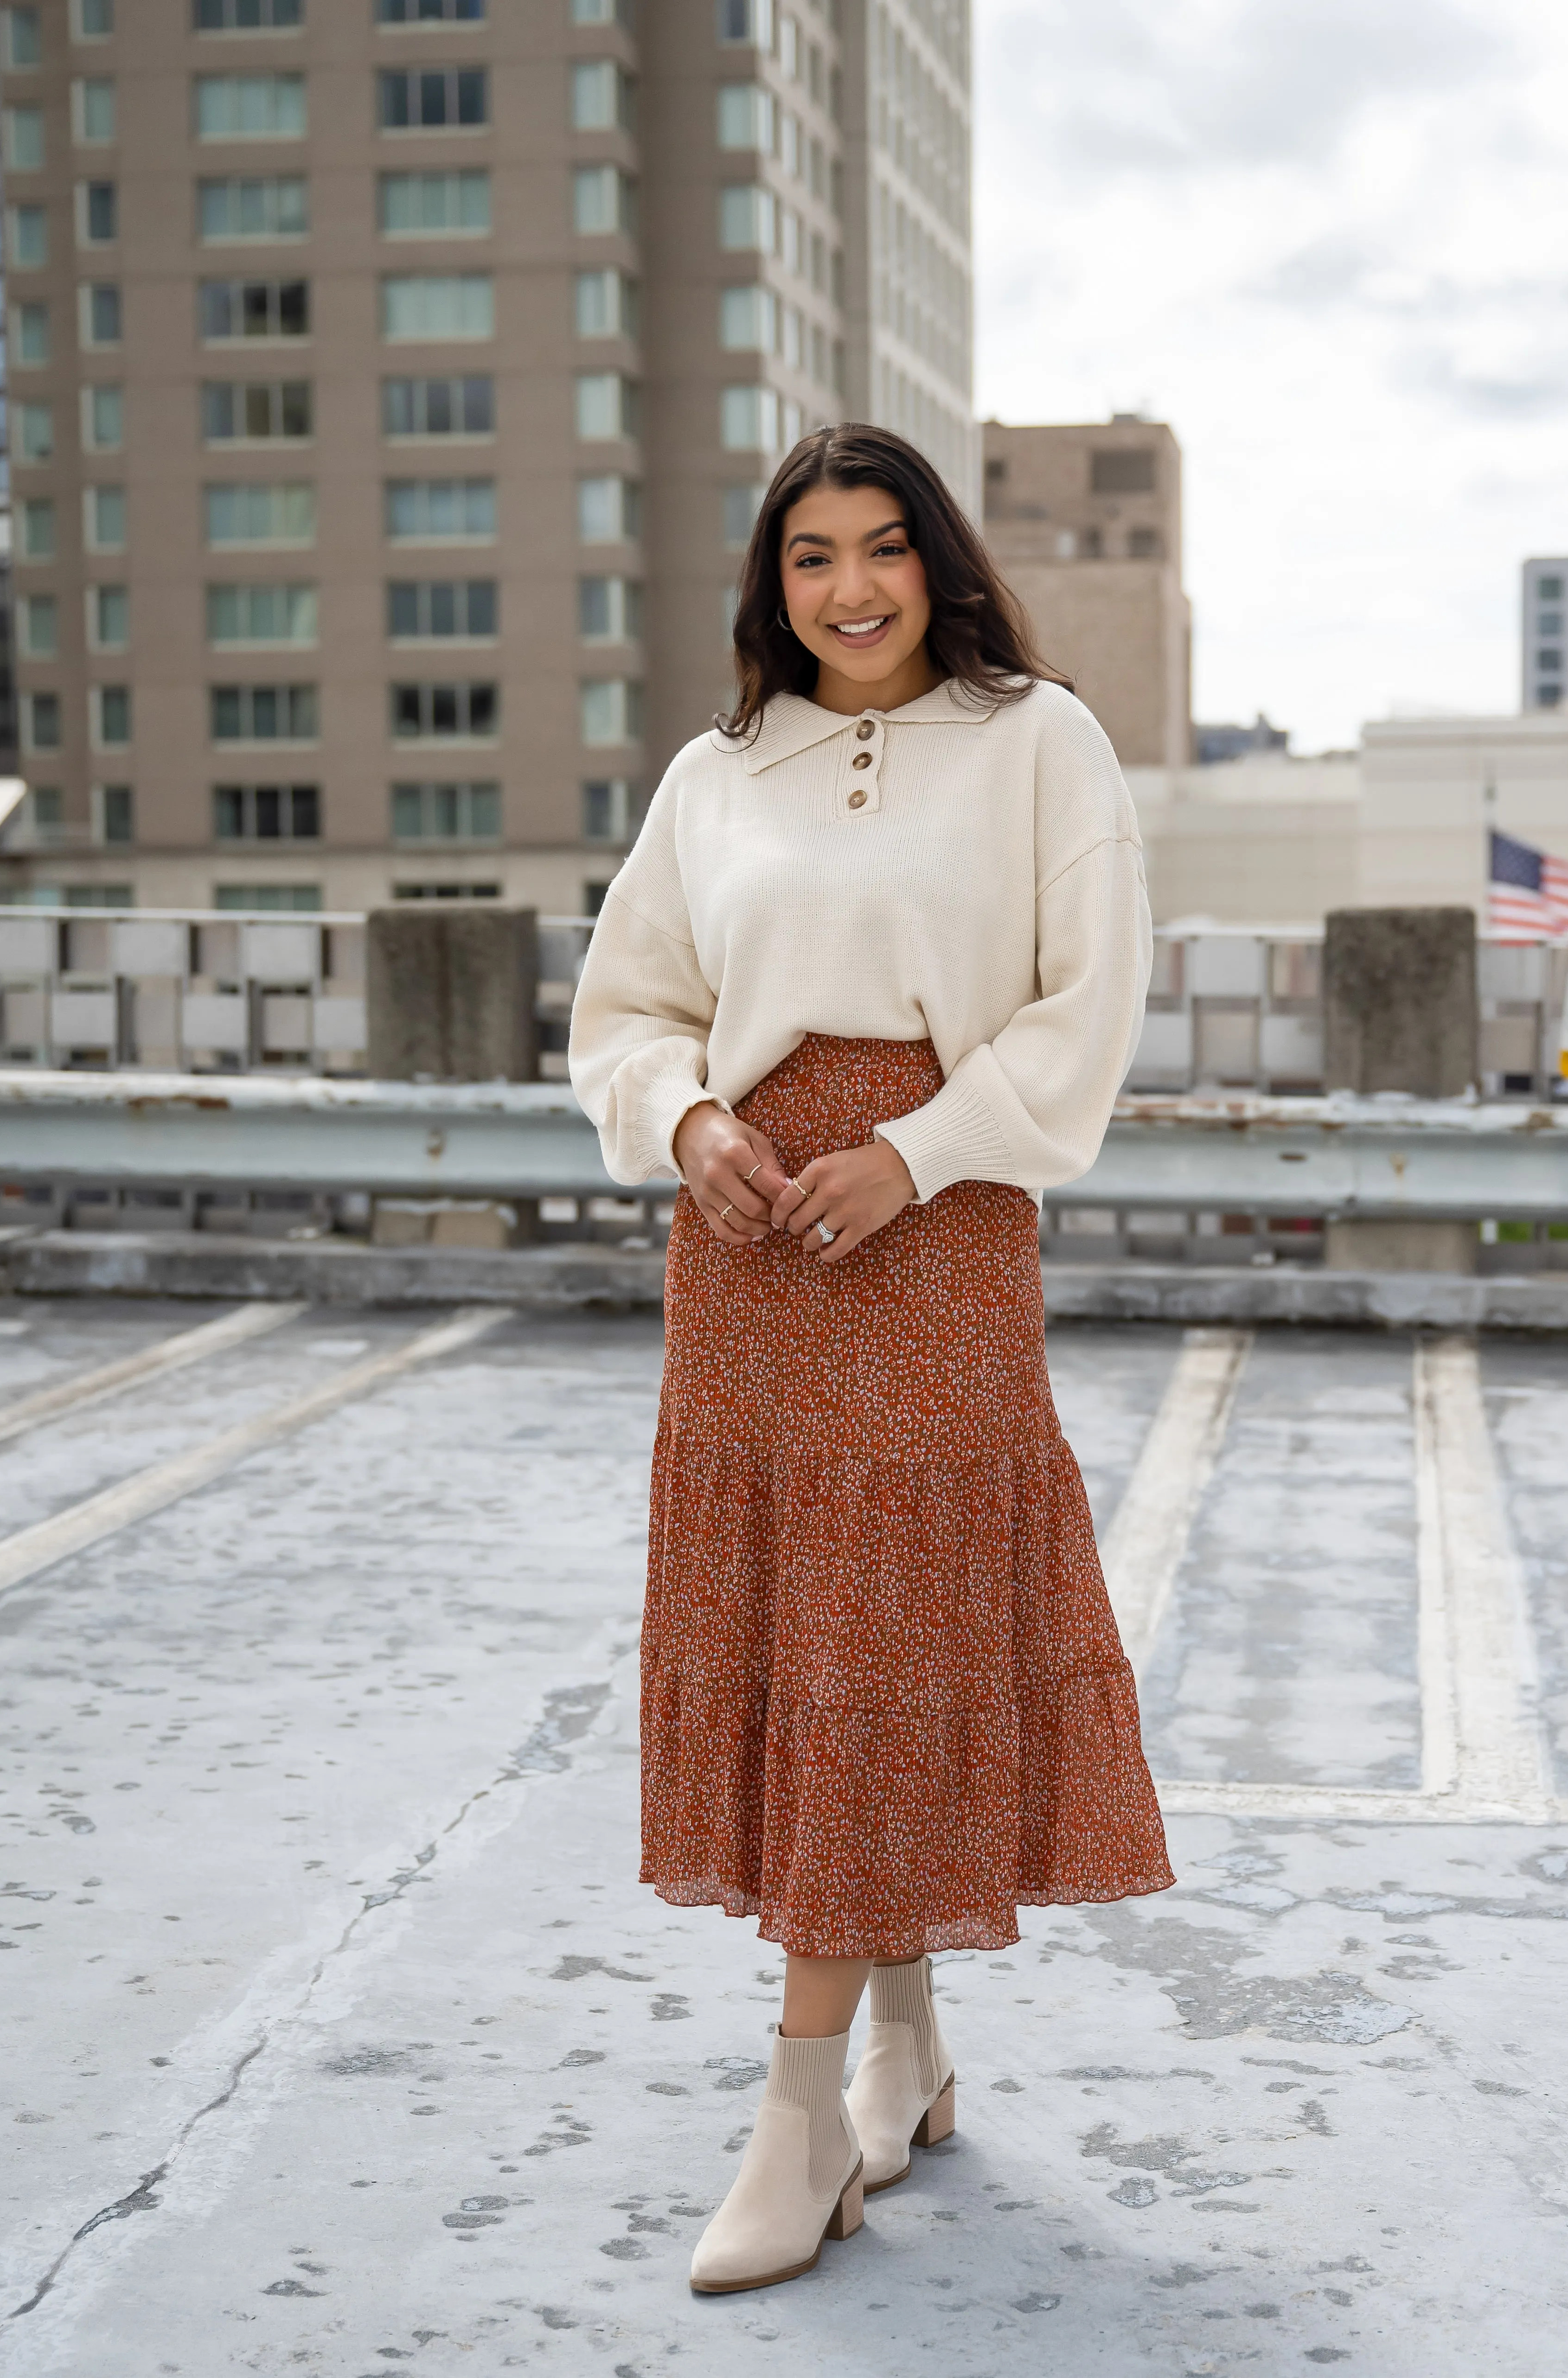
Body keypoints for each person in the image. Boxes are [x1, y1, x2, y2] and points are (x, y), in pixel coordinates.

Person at [569, 423, 1174, 2296]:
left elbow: (1092, 1002)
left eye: (882, 549)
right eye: (810, 556)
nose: (848, 590)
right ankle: (901, 2043)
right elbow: (627, 1011)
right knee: (817, 1629)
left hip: (938, 1212)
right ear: (773, 586)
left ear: (940, 563)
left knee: (878, 1631)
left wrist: (908, 1154)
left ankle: (796, 2112)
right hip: (746, 1240)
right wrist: (685, 1127)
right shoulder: (714, 771)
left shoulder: (1034, 742)